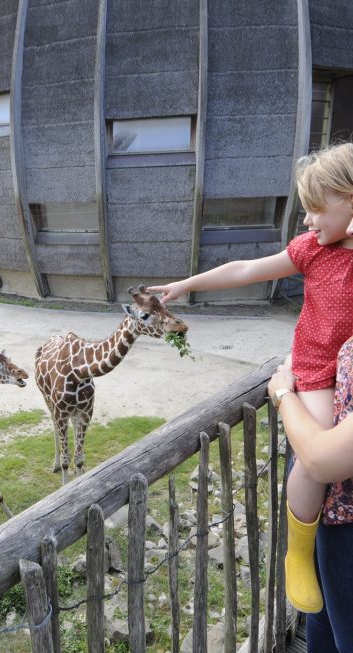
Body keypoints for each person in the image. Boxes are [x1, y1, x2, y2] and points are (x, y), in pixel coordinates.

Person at [148, 141, 353, 614]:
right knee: (312, 460)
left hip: (348, 378)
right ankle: (297, 555)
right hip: (317, 375)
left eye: (316, 210)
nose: (307, 221)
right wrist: (189, 284)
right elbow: (247, 269)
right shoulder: (313, 251)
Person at [268, 350, 353, 652]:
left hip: (347, 521)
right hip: (334, 512)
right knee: (324, 617)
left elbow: (319, 459)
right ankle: (302, 554)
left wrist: (281, 394)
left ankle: (298, 553)